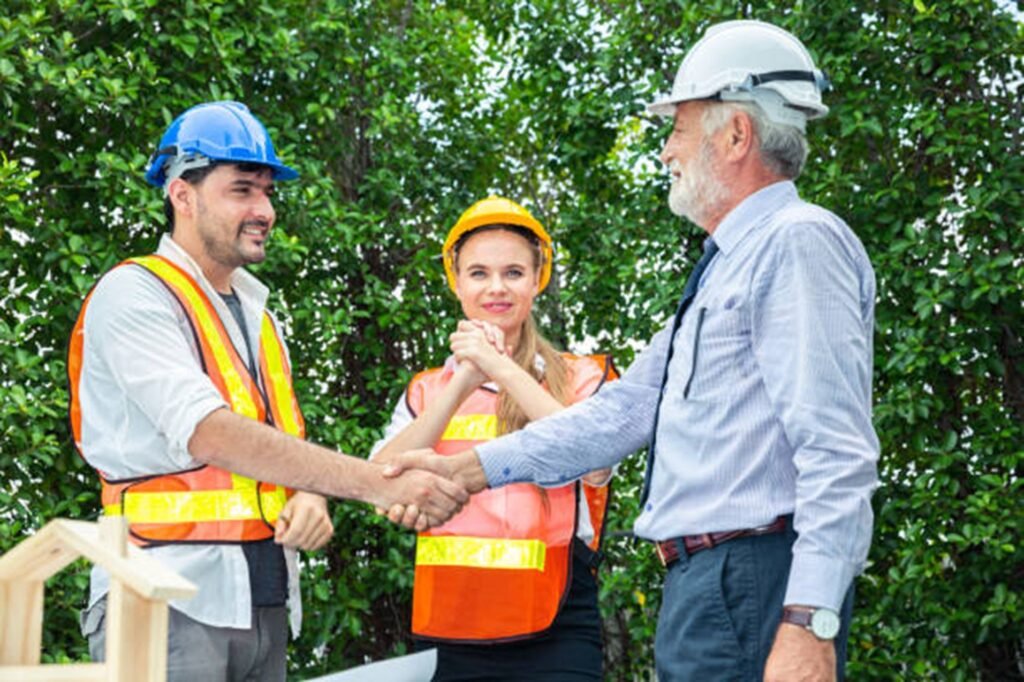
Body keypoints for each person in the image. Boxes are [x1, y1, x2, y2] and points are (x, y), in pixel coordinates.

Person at [385, 20, 880, 682]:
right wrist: (464, 472)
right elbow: (619, 417)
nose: (668, 151)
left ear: (736, 135)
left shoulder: (796, 241)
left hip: (755, 580)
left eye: (678, 128)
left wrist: (808, 619)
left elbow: (836, 450)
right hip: (709, 585)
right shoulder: (725, 268)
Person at [68, 100, 467, 682]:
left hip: (263, 600)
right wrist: (372, 486)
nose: (265, 210)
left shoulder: (258, 314)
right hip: (164, 599)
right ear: (183, 194)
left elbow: (273, 451)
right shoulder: (135, 295)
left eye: (268, 192)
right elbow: (210, 432)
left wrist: (308, 497)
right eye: (243, 190)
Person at [371, 196, 619, 681]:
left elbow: (591, 459)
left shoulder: (583, 377)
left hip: (558, 626)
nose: (496, 288)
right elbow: (379, 480)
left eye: (513, 272)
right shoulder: (426, 389)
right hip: (450, 627)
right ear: (457, 283)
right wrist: (462, 380)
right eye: (479, 273)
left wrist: (499, 366)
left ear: (536, 280)